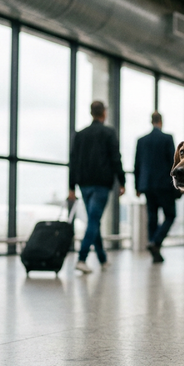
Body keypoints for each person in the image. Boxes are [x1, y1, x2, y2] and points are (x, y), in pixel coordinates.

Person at [68, 100, 126, 274]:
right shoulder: (109, 133)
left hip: (84, 184)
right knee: (94, 220)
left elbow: (73, 161)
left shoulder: (80, 135)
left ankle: (102, 258)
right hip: (101, 184)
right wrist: (122, 181)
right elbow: (116, 158)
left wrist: (71, 187)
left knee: (94, 220)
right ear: (104, 113)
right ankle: (82, 259)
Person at [135, 112, 180, 263]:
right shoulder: (167, 138)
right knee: (170, 215)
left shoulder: (142, 141)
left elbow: (137, 164)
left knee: (152, 216)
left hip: (147, 185)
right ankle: (155, 241)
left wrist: (137, 186)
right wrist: (177, 185)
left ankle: (154, 247)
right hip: (164, 185)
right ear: (161, 121)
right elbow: (173, 163)